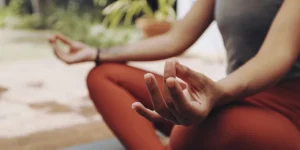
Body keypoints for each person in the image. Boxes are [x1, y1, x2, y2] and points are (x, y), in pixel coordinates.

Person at [49, 0, 300, 149]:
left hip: (288, 111)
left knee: (189, 133)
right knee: (104, 75)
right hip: (237, 98)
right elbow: (175, 39)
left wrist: (216, 93)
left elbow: (276, 55)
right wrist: (97, 52)